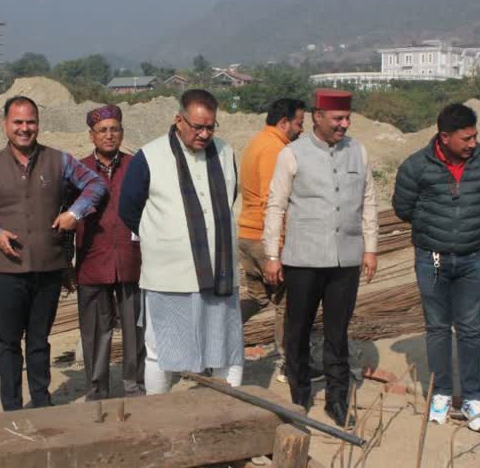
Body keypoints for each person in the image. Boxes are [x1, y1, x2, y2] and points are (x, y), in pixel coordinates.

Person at [0, 96, 107, 411]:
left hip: (48, 266)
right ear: (5, 125)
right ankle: (11, 406)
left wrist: (76, 212)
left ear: (38, 125)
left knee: (39, 341)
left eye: (30, 122)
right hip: (8, 268)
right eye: (18, 122)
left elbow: (95, 185)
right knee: (9, 341)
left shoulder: (60, 161)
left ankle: (41, 402)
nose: (24, 129)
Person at [263, 89, 378, 427]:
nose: (345, 124)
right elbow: (276, 206)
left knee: (338, 333)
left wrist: (370, 248)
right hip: (304, 260)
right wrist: (272, 254)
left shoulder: (358, 151)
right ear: (318, 117)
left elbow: (368, 200)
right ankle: (299, 398)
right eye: (338, 119)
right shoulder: (292, 154)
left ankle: (337, 400)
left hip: (345, 261)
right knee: (297, 331)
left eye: (347, 118)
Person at [119, 89, 243, 394]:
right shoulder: (149, 156)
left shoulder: (226, 153)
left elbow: (231, 197)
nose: (204, 134)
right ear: (178, 120)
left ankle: (227, 410)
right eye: (197, 126)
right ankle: (159, 413)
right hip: (168, 275)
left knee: (226, 346)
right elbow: (128, 210)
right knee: (161, 351)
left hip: (220, 272)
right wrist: (165, 237)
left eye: (210, 127)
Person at [392, 103, 480, 432]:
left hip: (473, 258)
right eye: (465, 138)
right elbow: (403, 207)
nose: (473, 144)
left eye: (475, 136)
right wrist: (435, 230)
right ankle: (441, 392)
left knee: (470, 329)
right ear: (444, 137)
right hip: (432, 261)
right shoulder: (416, 166)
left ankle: (472, 397)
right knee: (438, 328)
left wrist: (470, 225)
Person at [238, 98, 324, 384]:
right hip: (266, 238)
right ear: (284, 122)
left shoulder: (258, 142)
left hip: (248, 235)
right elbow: (271, 201)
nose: (302, 130)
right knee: (287, 302)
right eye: (299, 123)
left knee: (257, 297)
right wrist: (280, 248)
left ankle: (214, 338)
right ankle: (291, 365)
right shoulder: (275, 150)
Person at [73, 105, 145, 400]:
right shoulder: (78, 170)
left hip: (131, 259)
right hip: (93, 259)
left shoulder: (137, 166)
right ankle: (96, 388)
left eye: (114, 129)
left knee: (135, 328)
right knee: (94, 330)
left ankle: (133, 384)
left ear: (122, 133)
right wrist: (68, 262)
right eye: (102, 130)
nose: (109, 135)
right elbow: (67, 216)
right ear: (92, 136)